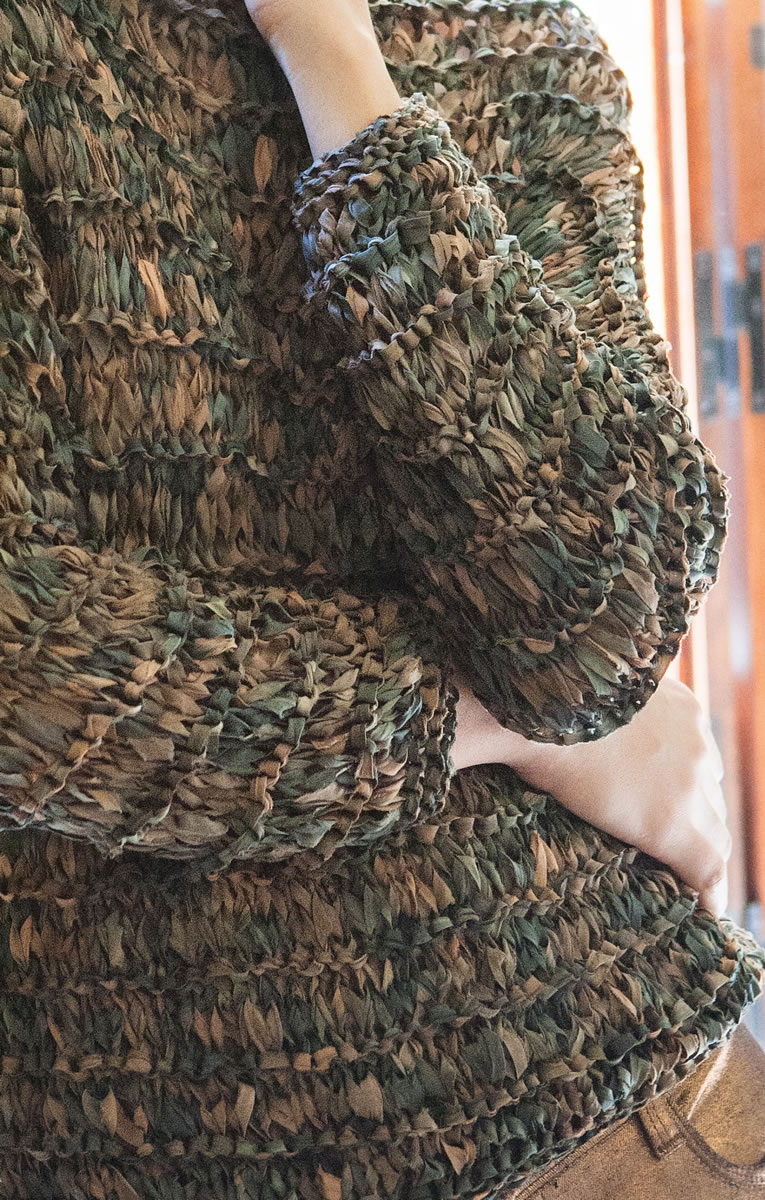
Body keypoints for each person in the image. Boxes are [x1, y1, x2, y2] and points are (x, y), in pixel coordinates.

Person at [0, 0, 763, 1195]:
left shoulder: (527, 55)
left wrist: (335, 60)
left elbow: (598, 626)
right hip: (142, 1132)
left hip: (623, 1105)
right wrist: (489, 723)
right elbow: (28, 676)